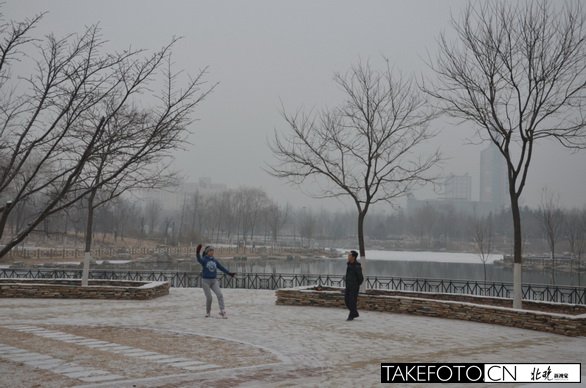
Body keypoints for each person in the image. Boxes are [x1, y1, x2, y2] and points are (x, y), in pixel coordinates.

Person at [196, 244, 235, 318]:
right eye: (210, 250)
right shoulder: (204, 260)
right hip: (205, 281)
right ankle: (208, 312)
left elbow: (221, 268)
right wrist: (197, 252)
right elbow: (199, 259)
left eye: (213, 250)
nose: (212, 252)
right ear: (207, 252)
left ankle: (222, 310)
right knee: (209, 298)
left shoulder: (215, 260)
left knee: (220, 294)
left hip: (214, 281)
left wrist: (229, 273)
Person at [345, 250, 364, 321]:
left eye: (349, 255)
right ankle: (355, 313)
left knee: (352, 302)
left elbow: (361, 278)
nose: (348, 256)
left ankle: (351, 316)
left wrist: (355, 285)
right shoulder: (349, 264)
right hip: (348, 286)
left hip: (354, 287)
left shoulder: (357, 266)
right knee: (347, 301)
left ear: (353, 257)